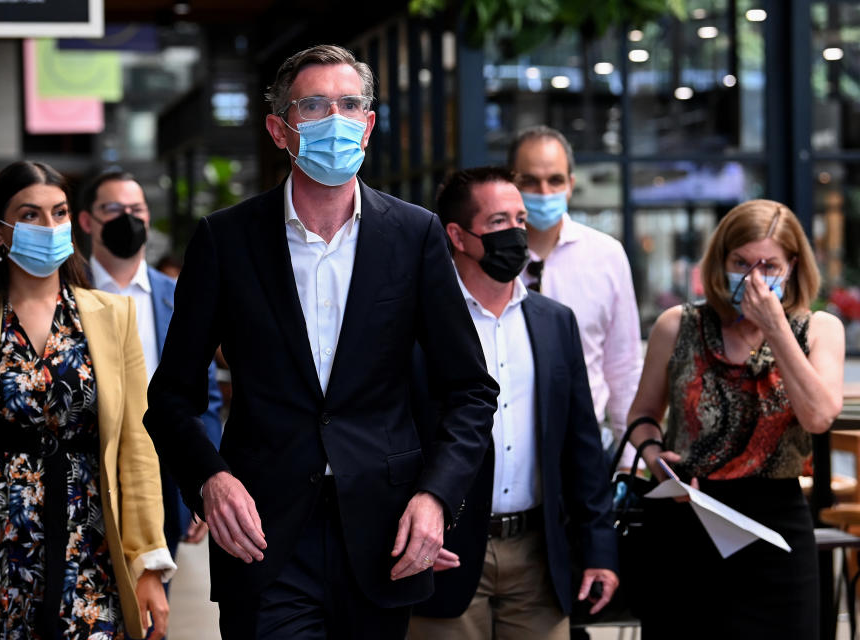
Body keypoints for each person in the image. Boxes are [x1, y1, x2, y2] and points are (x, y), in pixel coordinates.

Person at [143, 44, 499, 639]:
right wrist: (210, 479)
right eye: (314, 106)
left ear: (368, 125)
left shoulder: (414, 236)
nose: (335, 119)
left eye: (349, 104)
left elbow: (469, 390)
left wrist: (436, 498)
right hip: (265, 536)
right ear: (279, 130)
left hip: (384, 533)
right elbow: (172, 395)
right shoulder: (225, 241)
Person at [0, 161, 174, 640]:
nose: (49, 227)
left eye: (60, 212)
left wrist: (147, 561)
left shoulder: (112, 316)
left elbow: (137, 445)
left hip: (87, 549)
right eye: (30, 215)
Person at [408, 167, 618, 639]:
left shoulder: (554, 322)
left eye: (521, 219)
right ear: (458, 236)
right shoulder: (419, 326)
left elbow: (581, 443)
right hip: (447, 552)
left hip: (538, 555)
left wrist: (599, 549)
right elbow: (394, 436)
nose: (517, 233)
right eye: (500, 221)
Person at [627, 199, 844, 639]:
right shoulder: (678, 325)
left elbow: (819, 417)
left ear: (793, 266)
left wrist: (777, 328)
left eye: (769, 265)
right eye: (741, 262)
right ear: (720, 261)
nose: (753, 278)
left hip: (775, 525)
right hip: (689, 515)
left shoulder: (819, 329)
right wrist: (656, 460)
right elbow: (642, 415)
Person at [77, 170, 224, 556]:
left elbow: (203, 398)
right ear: (87, 221)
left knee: (154, 608)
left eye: (136, 209)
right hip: (84, 477)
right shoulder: (69, 295)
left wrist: (204, 479)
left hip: (163, 479)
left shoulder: (178, 295)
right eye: (113, 208)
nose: (127, 218)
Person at [509, 127, 642, 465]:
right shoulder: (481, 259)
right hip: (506, 448)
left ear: (570, 184)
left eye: (555, 180)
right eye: (530, 181)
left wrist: (631, 459)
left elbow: (623, 365)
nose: (544, 192)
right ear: (511, 183)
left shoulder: (606, 256)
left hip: (587, 446)